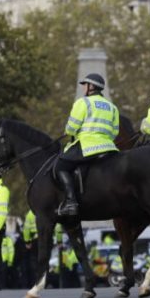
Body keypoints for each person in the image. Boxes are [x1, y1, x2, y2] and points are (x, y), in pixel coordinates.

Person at [58, 73, 120, 217]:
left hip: (87, 145)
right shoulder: (112, 107)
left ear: (91, 86)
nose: (84, 88)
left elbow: (71, 128)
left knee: (61, 166)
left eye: (85, 85)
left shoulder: (83, 103)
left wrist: (70, 131)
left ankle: (71, 202)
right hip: (109, 147)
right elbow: (115, 132)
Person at [21, 210, 38, 288]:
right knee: (44, 260)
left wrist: (27, 241)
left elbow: (26, 229)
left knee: (33, 260)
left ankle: (35, 282)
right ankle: (44, 281)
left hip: (35, 239)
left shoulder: (30, 213)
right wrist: (59, 240)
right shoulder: (48, 209)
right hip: (46, 238)